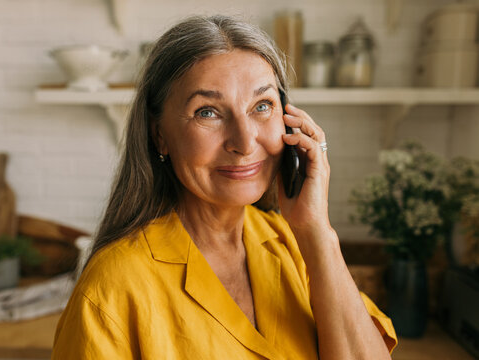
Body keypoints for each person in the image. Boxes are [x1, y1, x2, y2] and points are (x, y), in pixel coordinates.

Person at [52, 15, 397, 359]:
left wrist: (317, 230)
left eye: (262, 106)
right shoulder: (111, 288)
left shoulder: (293, 242)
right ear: (159, 134)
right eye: (208, 113)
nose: (245, 142)